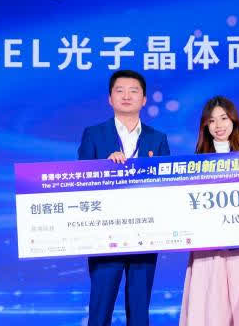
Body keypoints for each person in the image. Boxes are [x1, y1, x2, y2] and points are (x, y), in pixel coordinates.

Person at [78, 69, 171, 326]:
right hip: (104, 233)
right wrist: (103, 168)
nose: (126, 96)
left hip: (145, 233)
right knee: (100, 309)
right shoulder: (94, 134)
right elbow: (78, 181)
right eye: (120, 91)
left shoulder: (158, 139)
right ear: (110, 98)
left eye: (134, 91)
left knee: (140, 310)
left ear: (144, 99)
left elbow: (167, 186)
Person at [179, 96, 239, 326]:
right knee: (210, 303)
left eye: (224, 118)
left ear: (233, 121)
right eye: (212, 121)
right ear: (205, 126)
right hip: (208, 246)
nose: (218, 126)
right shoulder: (194, 166)